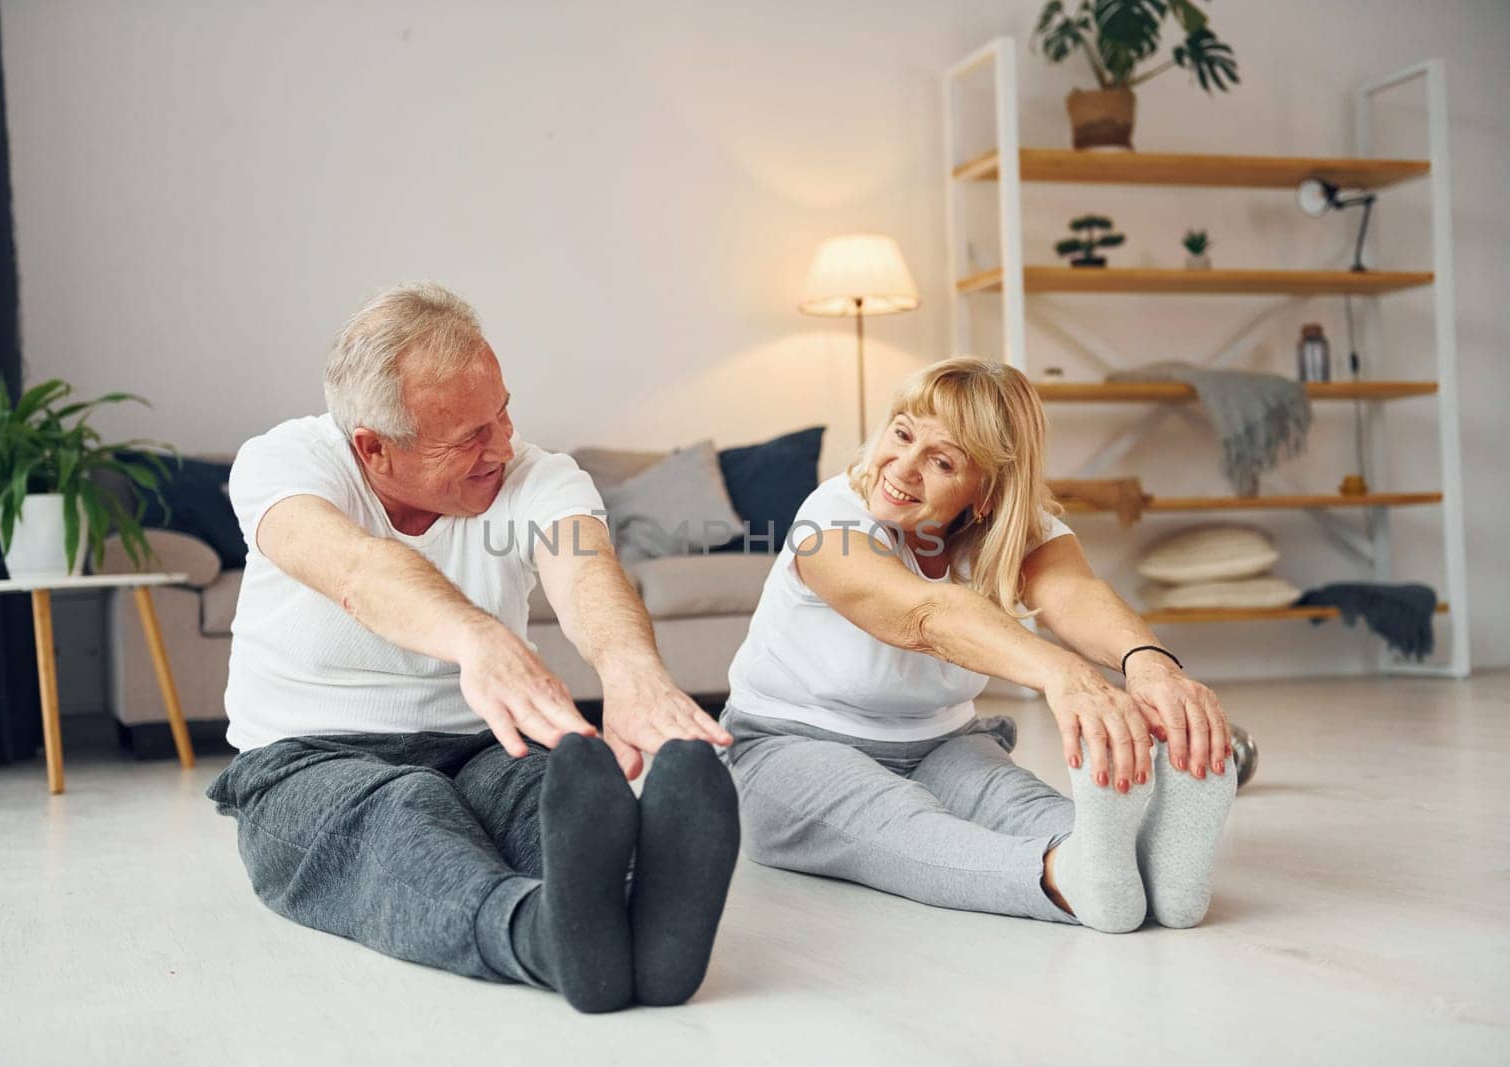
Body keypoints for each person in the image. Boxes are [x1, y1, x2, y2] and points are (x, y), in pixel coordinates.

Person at [204, 282, 740, 1012]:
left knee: (547, 793)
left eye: (503, 412)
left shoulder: (537, 475)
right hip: (307, 762)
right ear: (374, 447)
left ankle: (635, 916)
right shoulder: (287, 464)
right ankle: (545, 939)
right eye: (470, 437)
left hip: (485, 748)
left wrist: (632, 672)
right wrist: (476, 637)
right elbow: (357, 568)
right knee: (402, 816)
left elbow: (584, 568)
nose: (505, 445)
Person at [722, 357, 1237, 933]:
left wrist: (1150, 665)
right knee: (897, 823)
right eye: (902, 434)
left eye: (941, 461)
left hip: (941, 742)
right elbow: (925, 614)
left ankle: (1153, 866)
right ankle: (1063, 877)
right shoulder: (830, 518)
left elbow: (1072, 593)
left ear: (984, 493)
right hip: (789, 745)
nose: (904, 467)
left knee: (1023, 806)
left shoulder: (1011, 529)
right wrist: (1062, 674)